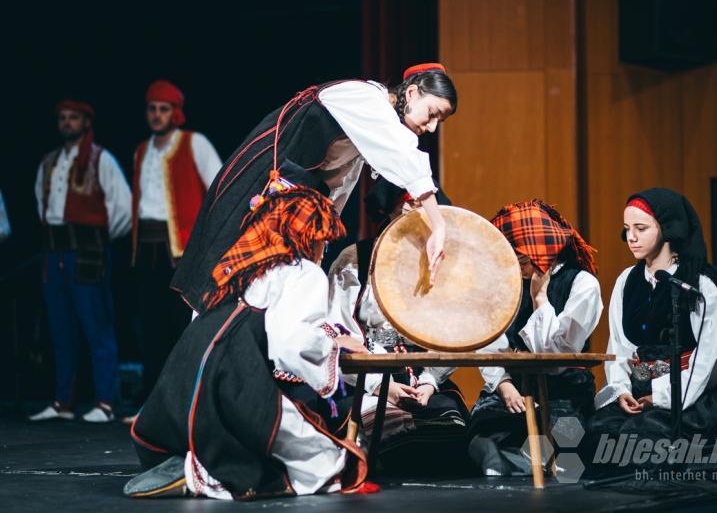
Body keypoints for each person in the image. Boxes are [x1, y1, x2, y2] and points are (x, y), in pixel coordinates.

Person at [124, 186, 370, 500]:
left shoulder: (235, 268)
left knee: (275, 433)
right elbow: (289, 345)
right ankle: (205, 470)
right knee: (325, 462)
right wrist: (334, 348)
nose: (323, 247)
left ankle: (193, 455)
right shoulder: (302, 272)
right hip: (232, 377)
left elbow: (203, 323)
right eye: (320, 237)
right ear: (306, 235)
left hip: (176, 391)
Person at [171, 62, 457, 317]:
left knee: (274, 290)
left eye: (439, 122)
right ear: (411, 94)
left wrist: (322, 230)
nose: (431, 127)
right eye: (432, 114)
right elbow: (404, 155)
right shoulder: (367, 100)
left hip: (290, 200)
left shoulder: (375, 116)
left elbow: (341, 181)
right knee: (235, 275)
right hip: (264, 184)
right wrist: (438, 225)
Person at [327, 177, 470, 475]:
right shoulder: (355, 260)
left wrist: (430, 380)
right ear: (395, 210)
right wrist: (382, 385)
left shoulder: (440, 263)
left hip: (422, 379)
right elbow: (339, 333)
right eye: (413, 208)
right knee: (388, 439)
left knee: (449, 437)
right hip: (367, 379)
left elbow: (451, 330)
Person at [591, 188, 717, 447]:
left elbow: (713, 358)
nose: (631, 237)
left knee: (642, 439)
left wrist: (660, 397)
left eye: (641, 228)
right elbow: (619, 346)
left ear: (667, 228)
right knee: (594, 434)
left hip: (691, 396)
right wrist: (622, 389)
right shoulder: (627, 281)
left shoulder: (700, 284)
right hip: (640, 392)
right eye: (627, 228)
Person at [468, 199, 602, 476]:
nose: (516, 267)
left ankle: (530, 462)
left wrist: (540, 299)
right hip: (515, 384)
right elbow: (489, 339)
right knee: (483, 433)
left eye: (521, 259)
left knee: (568, 449)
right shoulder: (508, 282)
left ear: (542, 253)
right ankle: (507, 461)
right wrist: (504, 385)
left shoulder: (582, 284)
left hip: (563, 386)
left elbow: (556, 355)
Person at [31, 99, 131, 423]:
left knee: (96, 326)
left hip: (87, 253)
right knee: (60, 328)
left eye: (73, 118)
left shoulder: (101, 159)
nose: (67, 123)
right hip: (54, 253)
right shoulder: (48, 162)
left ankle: (105, 401)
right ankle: (63, 401)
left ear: (86, 121)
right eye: (62, 118)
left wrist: (96, 239)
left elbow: (122, 210)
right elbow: (40, 205)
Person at [131, 80, 223, 403]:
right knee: (150, 324)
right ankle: (152, 398)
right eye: (152, 109)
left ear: (175, 112)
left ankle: (183, 398)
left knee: (178, 326)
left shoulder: (192, 143)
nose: (156, 115)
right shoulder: (142, 150)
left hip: (181, 252)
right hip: (148, 248)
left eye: (163, 109)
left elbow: (220, 186)